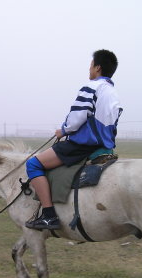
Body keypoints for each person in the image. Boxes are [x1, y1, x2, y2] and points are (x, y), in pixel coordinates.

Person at [25, 49, 122, 230]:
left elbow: (77, 117)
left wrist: (63, 130)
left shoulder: (91, 87)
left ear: (98, 67)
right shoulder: (113, 92)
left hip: (82, 144)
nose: (89, 68)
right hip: (104, 145)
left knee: (33, 165)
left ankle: (48, 215)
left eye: (91, 64)